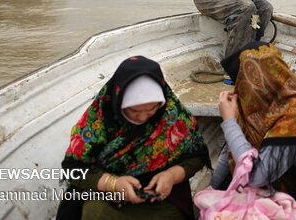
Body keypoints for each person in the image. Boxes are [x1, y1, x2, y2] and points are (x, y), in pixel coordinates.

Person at [58, 56, 210, 220]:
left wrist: (171, 176)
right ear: (118, 102)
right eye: (134, 111)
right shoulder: (99, 120)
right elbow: (74, 169)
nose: (143, 117)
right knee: (94, 213)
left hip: (161, 198)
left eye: (151, 109)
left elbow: (196, 156)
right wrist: (114, 184)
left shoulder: (172, 115)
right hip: (110, 198)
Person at [209, 42, 296, 220]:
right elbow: (228, 151)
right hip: (271, 195)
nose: (237, 90)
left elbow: (256, 177)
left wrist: (229, 121)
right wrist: (212, 190)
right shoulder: (260, 106)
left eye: (239, 83)